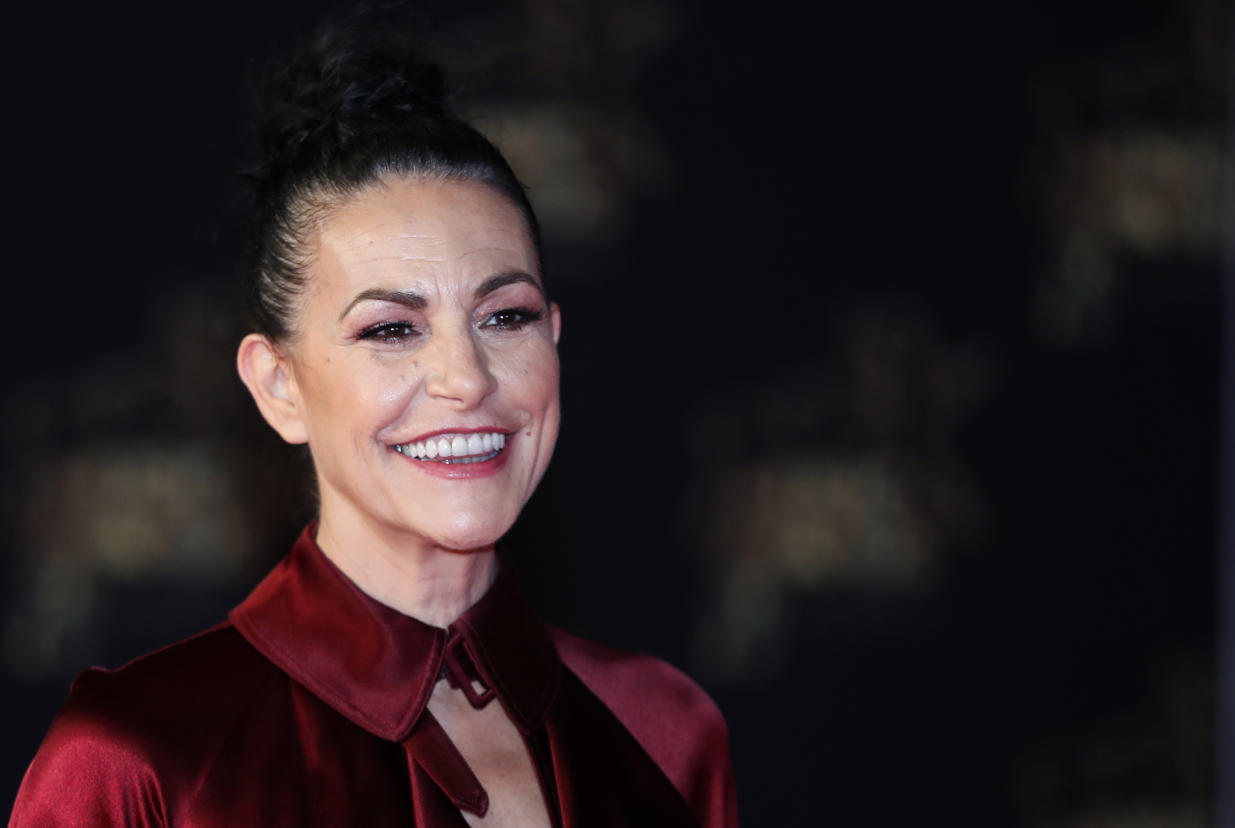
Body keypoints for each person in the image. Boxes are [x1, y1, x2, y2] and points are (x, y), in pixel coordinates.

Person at [8, 22, 736, 828]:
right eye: (391, 329)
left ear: (554, 335)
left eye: (506, 316)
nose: (466, 379)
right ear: (278, 385)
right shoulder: (136, 758)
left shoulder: (666, 730)